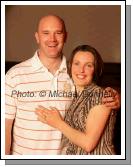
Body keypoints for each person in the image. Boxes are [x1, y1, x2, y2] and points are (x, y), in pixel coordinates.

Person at [5, 15, 120, 155]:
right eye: (46, 33)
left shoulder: (76, 75)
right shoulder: (15, 75)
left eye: (58, 33)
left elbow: (94, 100)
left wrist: (115, 97)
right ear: (37, 37)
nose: (52, 39)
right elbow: (4, 128)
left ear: (65, 36)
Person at [35, 45, 118, 155]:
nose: (81, 70)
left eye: (88, 65)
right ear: (70, 66)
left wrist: (58, 123)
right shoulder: (75, 95)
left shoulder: (100, 95)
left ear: (96, 69)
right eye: (77, 63)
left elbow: (88, 144)